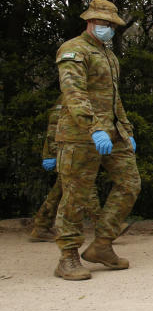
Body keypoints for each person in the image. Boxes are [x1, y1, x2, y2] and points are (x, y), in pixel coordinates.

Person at [53, 0, 141, 280]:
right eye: (104, 24)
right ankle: (68, 257)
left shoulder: (109, 55)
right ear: (90, 21)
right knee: (75, 194)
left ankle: (102, 245)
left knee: (130, 184)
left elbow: (115, 99)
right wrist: (93, 127)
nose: (108, 29)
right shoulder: (72, 50)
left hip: (113, 134)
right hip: (80, 134)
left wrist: (125, 129)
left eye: (112, 25)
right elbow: (74, 92)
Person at [29, 95, 101, 242]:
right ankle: (104, 226)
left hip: (75, 149)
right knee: (88, 187)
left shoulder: (86, 97)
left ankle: (41, 226)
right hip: (67, 151)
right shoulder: (69, 97)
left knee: (59, 190)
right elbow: (54, 127)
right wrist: (51, 153)